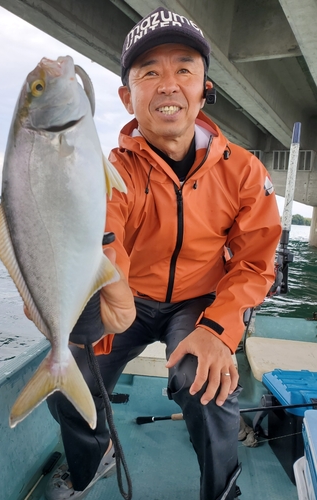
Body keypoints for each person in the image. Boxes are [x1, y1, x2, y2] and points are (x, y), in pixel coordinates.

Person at [43, 6, 282, 500]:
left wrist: (219, 329)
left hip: (199, 301)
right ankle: (93, 461)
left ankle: (222, 491)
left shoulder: (244, 170)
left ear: (203, 89)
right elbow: (101, 235)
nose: (168, 84)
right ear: (128, 97)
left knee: (207, 380)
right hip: (127, 297)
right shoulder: (111, 170)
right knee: (70, 377)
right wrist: (91, 292)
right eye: (149, 72)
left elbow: (255, 261)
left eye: (184, 70)